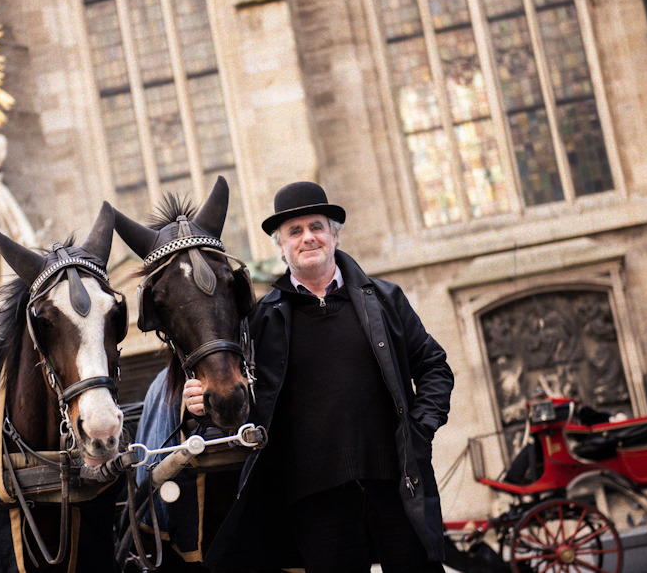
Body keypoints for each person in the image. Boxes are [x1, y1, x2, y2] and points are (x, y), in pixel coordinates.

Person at [185, 180, 454, 572]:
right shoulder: (259, 321)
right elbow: (238, 408)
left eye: (316, 227)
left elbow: (434, 367)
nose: (307, 237)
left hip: (397, 486)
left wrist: (419, 430)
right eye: (295, 231)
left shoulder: (384, 300)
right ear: (281, 246)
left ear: (334, 236)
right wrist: (203, 408)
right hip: (314, 502)